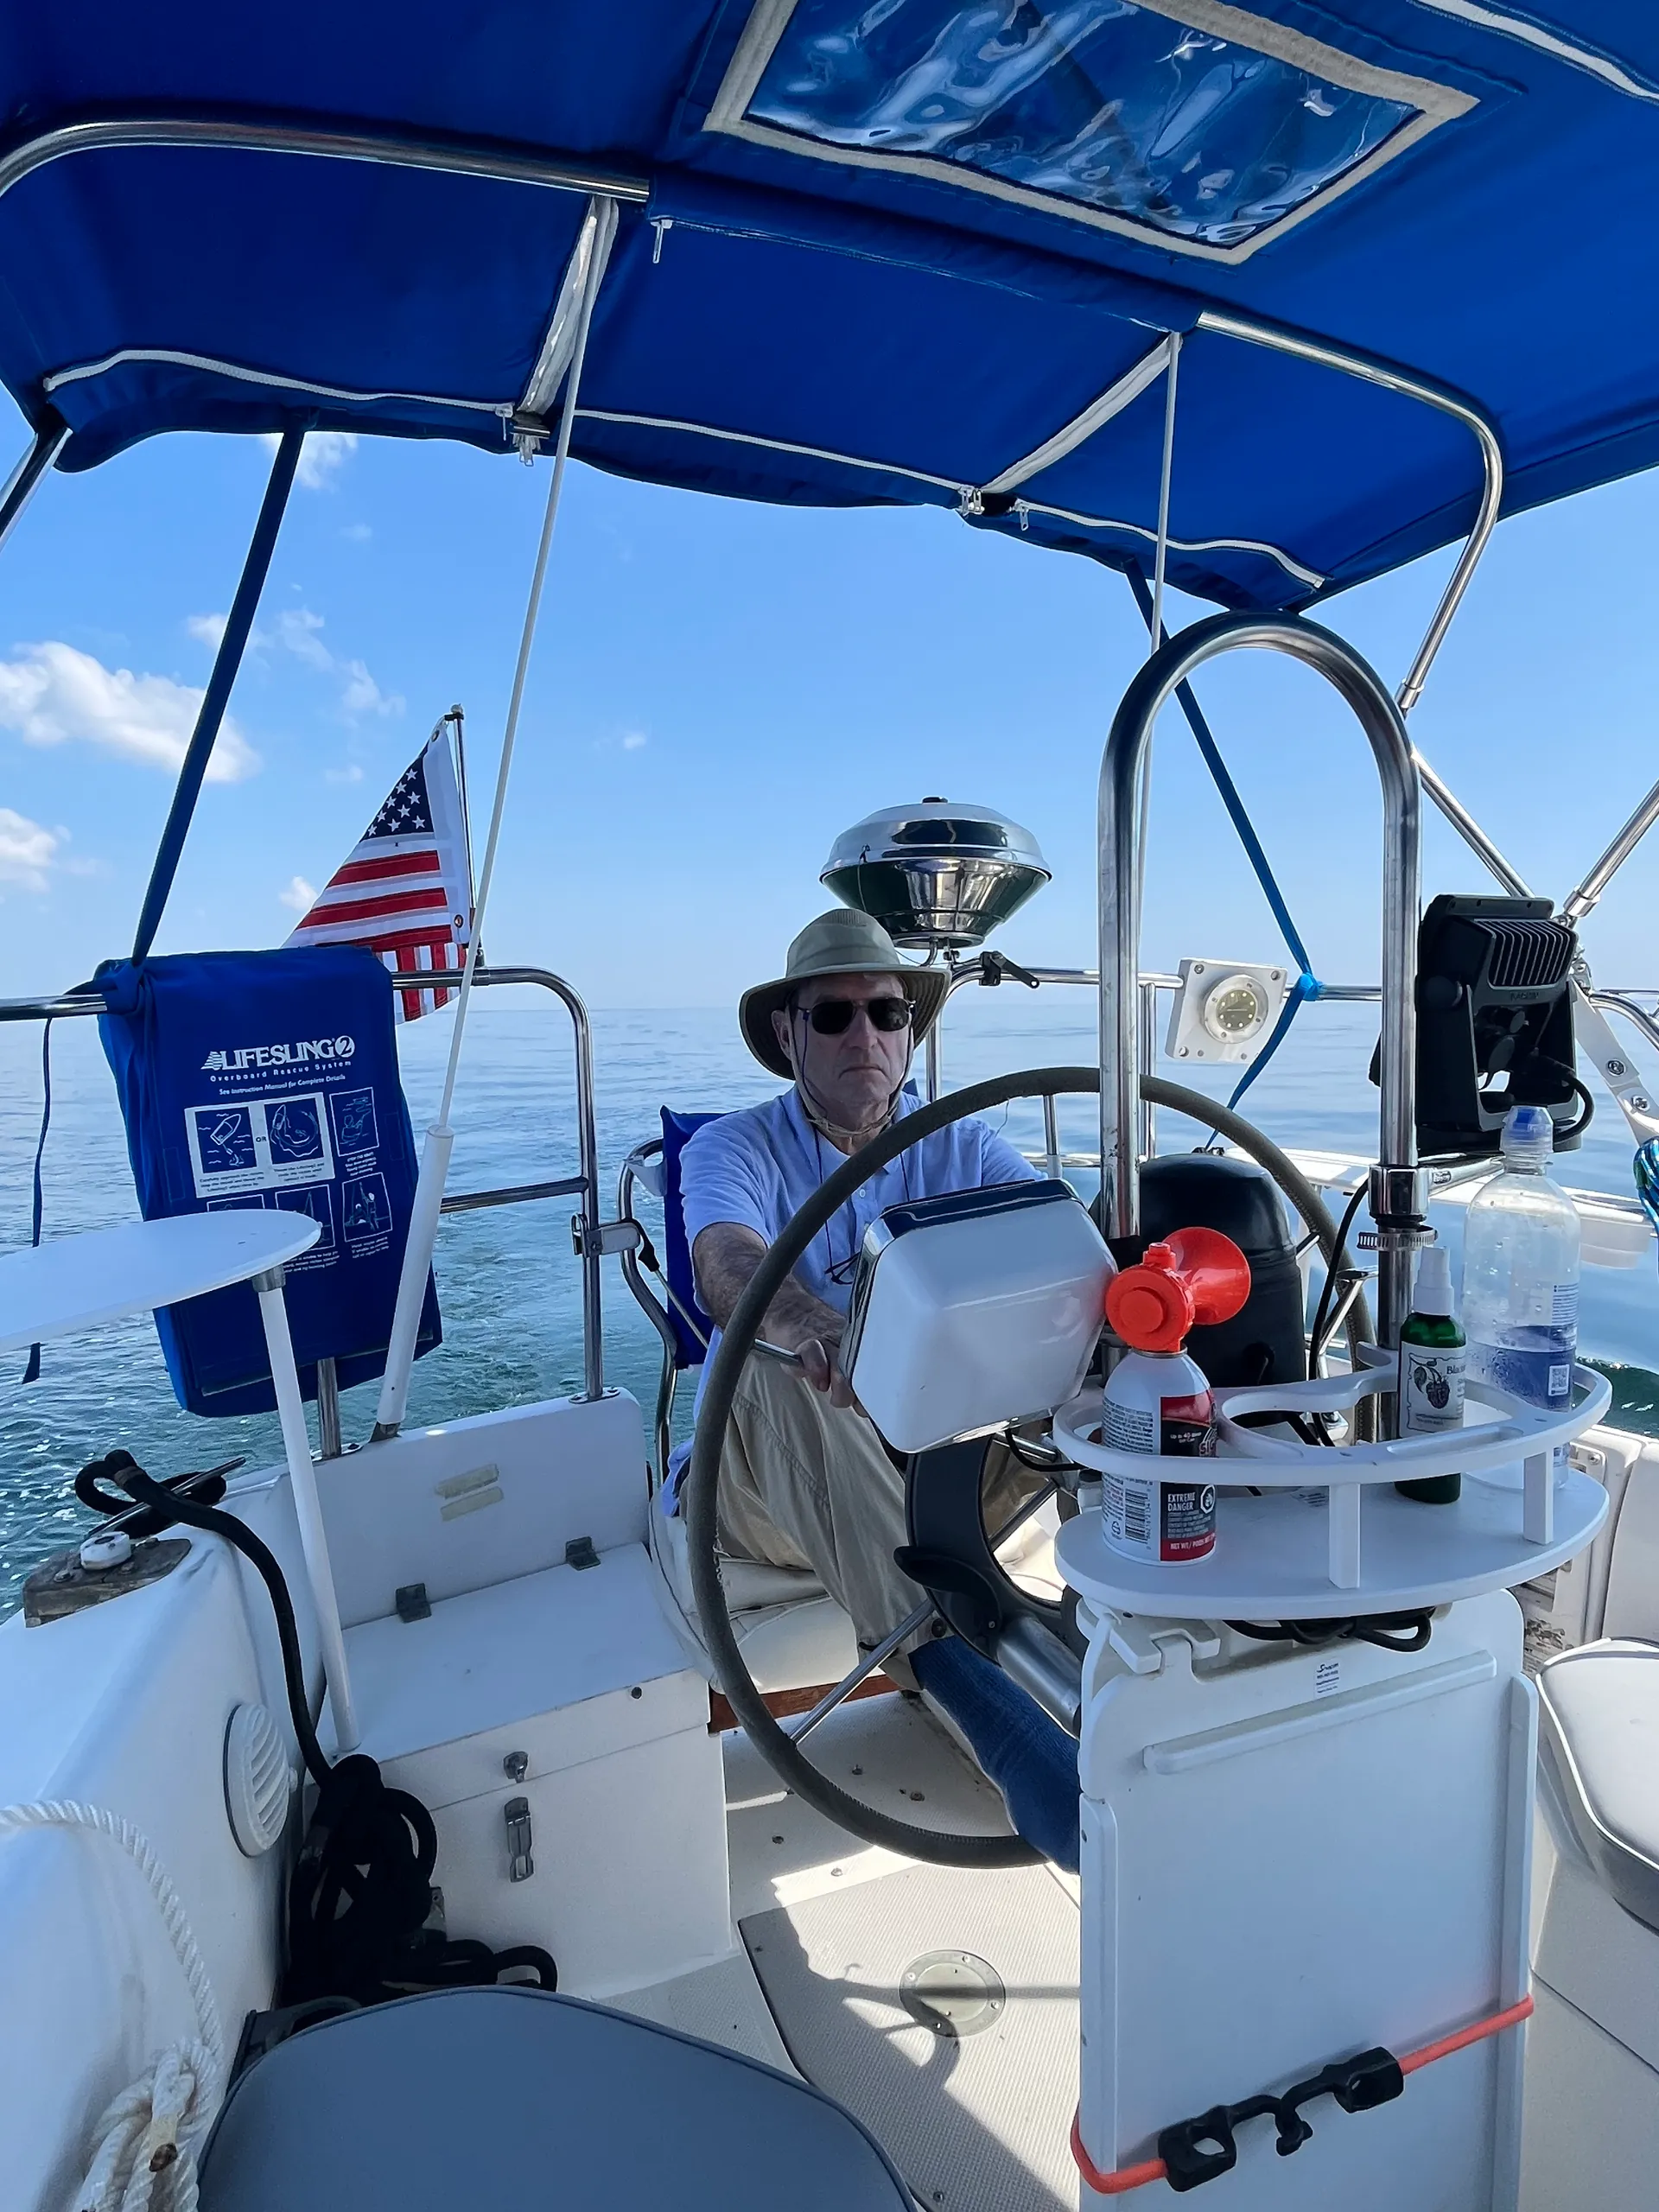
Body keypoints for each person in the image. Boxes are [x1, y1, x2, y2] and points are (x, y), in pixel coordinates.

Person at [678, 907, 1080, 1866]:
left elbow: (1051, 1256)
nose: (865, 1033)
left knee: (1109, 1341)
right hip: (761, 1486)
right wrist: (802, 1320)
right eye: (833, 1016)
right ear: (788, 1032)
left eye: (887, 1011)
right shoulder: (733, 1148)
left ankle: (1169, 1627)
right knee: (772, 1359)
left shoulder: (967, 1149)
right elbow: (726, 1261)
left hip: (947, 1464)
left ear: (911, 1029)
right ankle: (964, 1681)